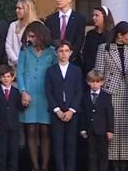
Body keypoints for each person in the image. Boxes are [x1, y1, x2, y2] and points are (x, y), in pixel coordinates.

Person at [95, 21, 128, 171]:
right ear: (120, 36)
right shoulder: (104, 48)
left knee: (126, 126)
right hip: (110, 91)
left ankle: (126, 161)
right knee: (112, 125)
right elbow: (99, 71)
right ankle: (113, 161)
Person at [17, 21, 56, 171]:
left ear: (41, 35)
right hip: (29, 94)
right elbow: (19, 72)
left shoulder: (52, 52)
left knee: (45, 130)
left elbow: (55, 74)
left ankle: (45, 166)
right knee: (31, 129)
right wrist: (23, 91)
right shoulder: (25, 51)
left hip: (45, 95)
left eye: (33, 36)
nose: (31, 39)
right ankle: (34, 166)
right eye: (29, 36)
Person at [45, 40, 83, 171]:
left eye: (66, 51)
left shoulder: (76, 71)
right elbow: (48, 92)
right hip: (57, 113)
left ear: (71, 53)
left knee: (71, 144)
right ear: (56, 53)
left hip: (72, 112)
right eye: (61, 51)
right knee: (58, 144)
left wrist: (72, 110)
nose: (64, 54)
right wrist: (57, 110)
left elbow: (79, 91)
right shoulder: (50, 71)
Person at [0, 64, 23, 171]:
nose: (6, 79)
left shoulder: (16, 91)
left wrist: (25, 104)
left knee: (14, 152)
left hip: (13, 126)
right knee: (2, 152)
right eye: (3, 77)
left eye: (8, 76)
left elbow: (19, 107)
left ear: (13, 77)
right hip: (0, 126)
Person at [80, 70, 114, 171]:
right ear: (88, 82)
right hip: (90, 131)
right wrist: (82, 128)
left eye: (97, 82)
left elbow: (110, 114)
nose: (95, 84)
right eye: (92, 82)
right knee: (91, 155)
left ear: (102, 82)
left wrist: (110, 130)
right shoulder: (85, 96)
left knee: (103, 155)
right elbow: (83, 114)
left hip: (102, 131)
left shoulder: (106, 96)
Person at [44, 0, 87, 64]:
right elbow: (48, 39)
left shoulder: (79, 19)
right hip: (53, 59)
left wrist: (68, 56)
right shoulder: (50, 19)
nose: (58, 0)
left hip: (73, 60)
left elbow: (79, 41)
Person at [4, 0, 38, 68]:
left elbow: (40, 46)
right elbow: (8, 46)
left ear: (27, 10)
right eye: (16, 8)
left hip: (33, 66)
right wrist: (17, 61)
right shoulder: (13, 25)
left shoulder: (37, 26)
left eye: (19, 8)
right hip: (15, 66)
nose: (16, 10)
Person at [82, 6, 114, 75]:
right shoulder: (90, 34)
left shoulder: (112, 34)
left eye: (97, 15)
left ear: (105, 17)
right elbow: (85, 53)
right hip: (90, 73)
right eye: (93, 15)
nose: (94, 18)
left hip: (107, 73)